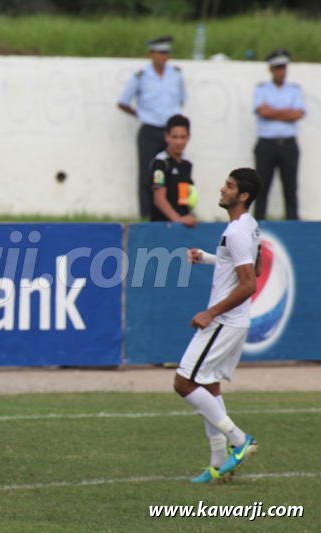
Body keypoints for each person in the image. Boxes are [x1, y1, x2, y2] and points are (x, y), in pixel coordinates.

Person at [177, 168, 262, 484]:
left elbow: (249, 282)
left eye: (229, 186)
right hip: (235, 322)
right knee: (210, 388)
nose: (222, 189)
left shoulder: (238, 232)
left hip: (225, 322)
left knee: (184, 383)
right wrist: (208, 258)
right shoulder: (249, 227)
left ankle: (240, 441)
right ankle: (218, 465)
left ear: (243, 196)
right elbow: (255, 264)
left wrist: (211, 312)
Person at [118, 35, 187, 219]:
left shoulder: (176, 75)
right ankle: (147, 215)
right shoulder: (141, 76)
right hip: (149, 129)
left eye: (166, 53)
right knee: (148, 174)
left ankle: (173, 214)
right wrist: (140, 115)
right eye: (160, 52)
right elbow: (123, 101)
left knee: (173, 173)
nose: (164, 56)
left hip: (170, 131)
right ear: (151, 54)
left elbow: (181, 100)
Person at [253, 49, 305, 221]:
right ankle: (257, 226)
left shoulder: (294, 90)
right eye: (277, 68)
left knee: (290, 189)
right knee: (261, 188)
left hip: (288, 144)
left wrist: (273, 112)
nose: (281, 71)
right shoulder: (262, 89)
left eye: (283, 67)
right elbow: (262, 111)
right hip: (266, 144)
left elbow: (298, 114)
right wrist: (286, 113)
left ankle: (293, 227)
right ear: (271, 69)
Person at [150, 114, 197, 227]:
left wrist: (188, 217)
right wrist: (178, 220)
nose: (179, 142)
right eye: (175, 137)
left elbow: (186, 195)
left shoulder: (187, 164)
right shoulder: (160, 162)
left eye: (182, 137)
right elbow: (159, 198)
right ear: (167, 137)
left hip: (182, 226)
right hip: (162, 225)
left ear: (188, 137)